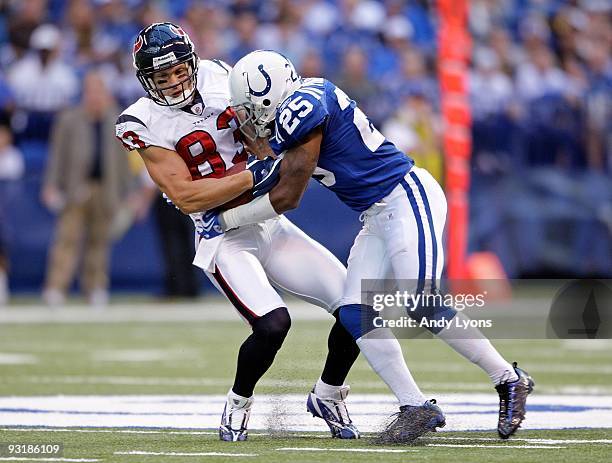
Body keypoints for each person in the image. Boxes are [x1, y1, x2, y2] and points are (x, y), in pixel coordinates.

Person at [220, 50, 534, 442]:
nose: (250, 117)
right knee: (354, 313)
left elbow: (287, 192)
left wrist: (229, 216)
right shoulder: (301, 104)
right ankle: (414, 405)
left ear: (268, 94)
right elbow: (279, 162)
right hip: (376, 214)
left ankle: (508, 378)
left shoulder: (303, 106)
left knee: (421, 301)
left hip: (404, 195)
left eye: (251, 107)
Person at [115, 23, 361, 442]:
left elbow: (259, 131)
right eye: (162, 77)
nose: (174, 83)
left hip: (268, 221)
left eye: (178, 71)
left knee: (356, 310)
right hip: (223, 235)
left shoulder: (219, 76)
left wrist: (269, 153)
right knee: (272, 325)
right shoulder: (142, 120)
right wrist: (254, 174)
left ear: (191, 62)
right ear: (147, 82)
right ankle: (238, 403)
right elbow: (186, 196)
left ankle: (329, 393)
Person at [42, 70, 132, 307]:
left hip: (105, 188)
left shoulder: (116, 119)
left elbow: (123, 160)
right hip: (76, 187)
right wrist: (52, 185)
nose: (95, 96)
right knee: (67, 240)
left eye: (99, 91)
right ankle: (56, 287)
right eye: (91, 91)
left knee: (99, 242)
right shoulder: (70, 119)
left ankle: (95, 287)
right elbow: (57, 155)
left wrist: (128, 192)